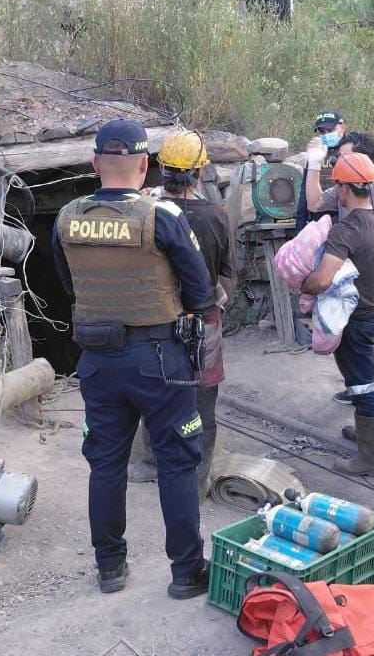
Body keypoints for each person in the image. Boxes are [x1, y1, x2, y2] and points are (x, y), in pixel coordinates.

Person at [51, 119, 215, 598]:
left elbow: (69, 286)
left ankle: (109, 569)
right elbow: (201, 292)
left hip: (98, 360)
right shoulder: (162, 218)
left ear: (95, 164)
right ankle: (186, 573)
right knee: (177, 462)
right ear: (146, 166)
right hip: (159, 358)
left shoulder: (66, 218)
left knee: (105, 465)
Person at [127, 130, 236, 496]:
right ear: (200, 173)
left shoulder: (145, 213)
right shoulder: (216, 217)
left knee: (154, 391)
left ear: (161, 170)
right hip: (202, 318)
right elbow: (225, 271)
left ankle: (149, 463)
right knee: (202, 399)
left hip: (154, 317)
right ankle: (198, 476)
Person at [301, 152, 374, 476]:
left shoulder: (346, 229)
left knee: (362, 383)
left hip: (358, 316)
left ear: (344, 188)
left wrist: (304, 285)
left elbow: (324, 278)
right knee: (365, 377)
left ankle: (371, 459)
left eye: (337, 184)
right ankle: (367, 431)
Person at [310, 132, 374, 430]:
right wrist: (313, 165)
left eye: (344, 156)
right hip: (350, 285)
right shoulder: (353, 194)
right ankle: (360, 393)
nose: (339, 160)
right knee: (352, 349)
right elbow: (315, 203)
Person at [295, 109, 346, 231]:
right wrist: (299, 229)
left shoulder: (350, 150)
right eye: (322, 131)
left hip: (344, 217)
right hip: (318, 215)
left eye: (330, 130)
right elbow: (304, 193)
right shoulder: (316, 153)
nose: (326, 134)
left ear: (342, 127)